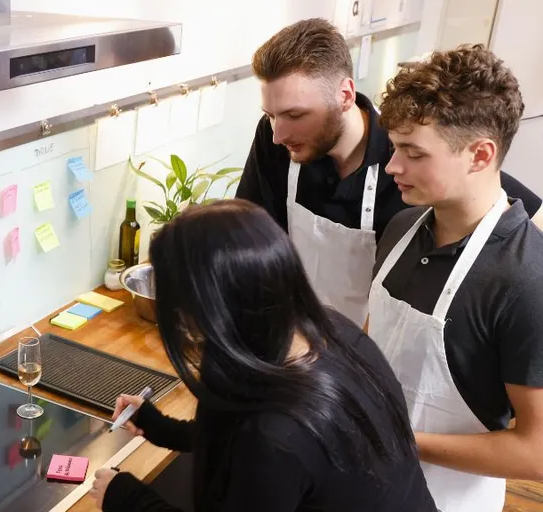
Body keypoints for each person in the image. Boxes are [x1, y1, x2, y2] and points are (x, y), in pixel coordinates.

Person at [88, 199, 436, 511]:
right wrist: (160, 427)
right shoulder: (330, 330)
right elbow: (236, 428)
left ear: (211, 310)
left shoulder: (275, 437)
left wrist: (125, 497)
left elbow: (258, 447)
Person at [234, 18, 542, 327]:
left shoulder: (408, 160)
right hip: (297, 331)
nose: (279, 133)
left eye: (295, 114)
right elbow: (249, 232)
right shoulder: (278, 140)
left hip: (366, 344)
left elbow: (508, 201)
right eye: (271, 115)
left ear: (344, 95)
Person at [367, 44, 543, 512]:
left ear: (480, 155)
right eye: (393, 148)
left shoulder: (525, 280)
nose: (392, 167)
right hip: (363, 483)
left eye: (413, 153)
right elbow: (373, 344)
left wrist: (399, 439)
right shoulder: (403, 228)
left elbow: (537, 451)